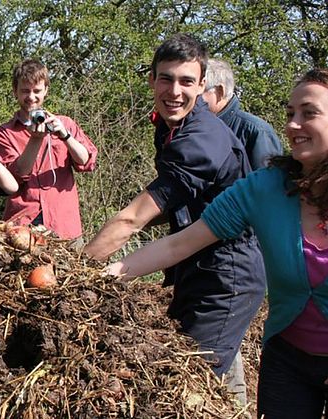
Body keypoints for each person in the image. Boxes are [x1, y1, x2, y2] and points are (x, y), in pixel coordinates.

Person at [106, 68, 328, 419]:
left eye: (310, 113)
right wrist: (102, 275)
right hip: (287, 361)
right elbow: (179, 245)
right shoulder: (265, 188)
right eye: (290, 114)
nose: (293, 125)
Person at [82, 34, 266, 405]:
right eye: (166, 79)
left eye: (186, 81)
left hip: (224, 276)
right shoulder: (171, 126)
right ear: (151, 80)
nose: (175, 91)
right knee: (204, 374)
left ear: (202, 86)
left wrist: (79, 269)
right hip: (192, 263)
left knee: (188, 387)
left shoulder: (200, 141)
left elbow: (133, 219)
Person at [0, 59, 97, 239]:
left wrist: (65, 135)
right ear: (15, 92)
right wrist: (36, 139)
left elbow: (86, 161)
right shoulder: (2, 134)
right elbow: (16, 177)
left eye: (37, 91)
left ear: (46, 90)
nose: (31, 97)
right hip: (23, 225)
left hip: (64, 225)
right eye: (25, 91)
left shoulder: (66, 123)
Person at [201, 58, 283, 169]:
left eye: (199, 91)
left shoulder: (256, 132)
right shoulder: (193, 126)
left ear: (220, 91)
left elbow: (268, 182)